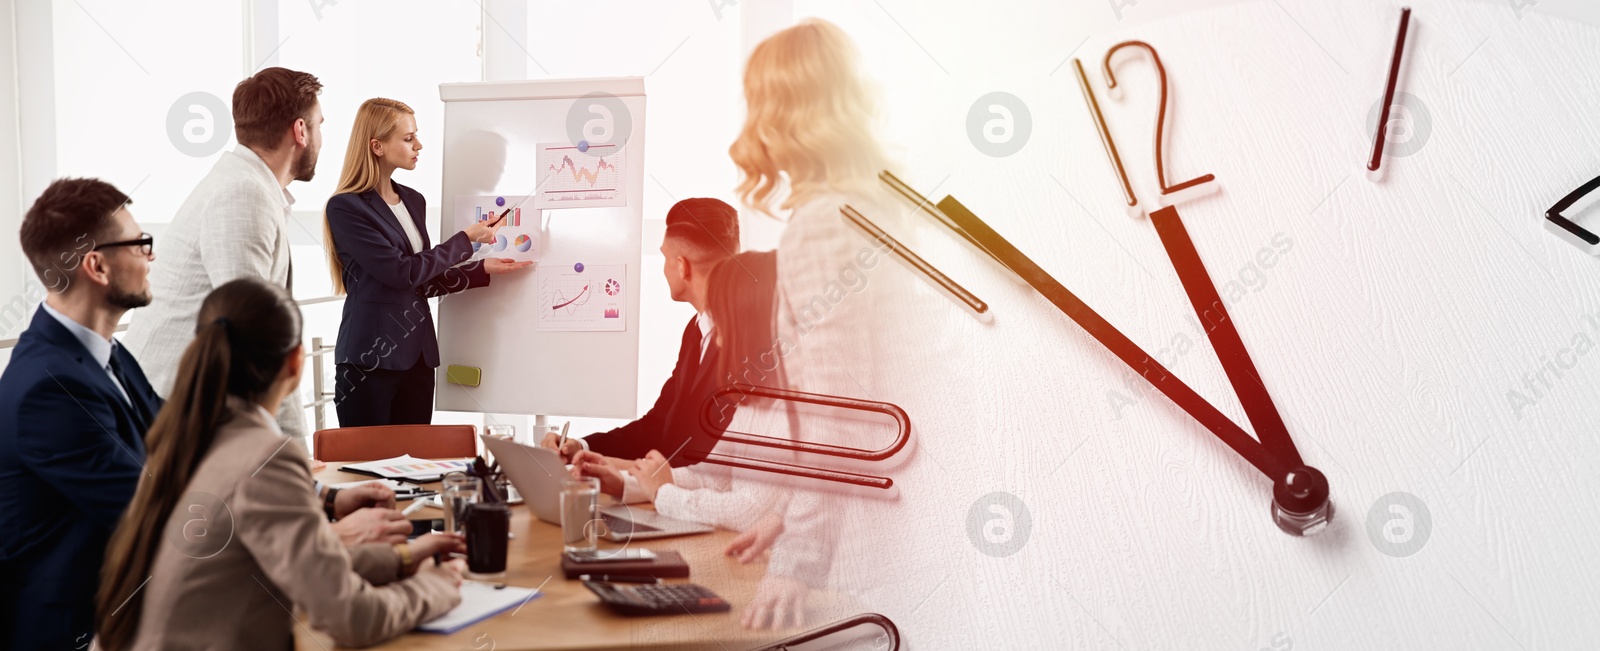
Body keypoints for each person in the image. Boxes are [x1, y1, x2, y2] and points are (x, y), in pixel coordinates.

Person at [95, 278, 466, 651]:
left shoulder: (185, 435)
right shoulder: (266, 456)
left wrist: (400, 558)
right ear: (295, 363)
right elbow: (352, 619)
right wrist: (435, 586)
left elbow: (290, 567)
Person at [0, 178, 162, 649]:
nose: (150, 257)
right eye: (139, 244)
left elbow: (183, 436)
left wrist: (315, 494)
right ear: (97, 266)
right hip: (78, 630)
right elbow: (156, 512)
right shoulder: (47, 390)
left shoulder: (104, 352)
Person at [124, 67, 325, 441]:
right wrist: (296, 455)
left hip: (176, 403)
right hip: (166, 409)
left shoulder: (246, 185)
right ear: (300, 131)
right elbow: (258, 338)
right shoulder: (243, 193)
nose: (321, 138)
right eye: (319, 125)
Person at [324, 98, 531, 427]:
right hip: (369, 363)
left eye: (416, 136)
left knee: (415, 468)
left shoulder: (413, 200)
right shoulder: (346, 208)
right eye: (408, 139)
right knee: (364, 469)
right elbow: (400, 272)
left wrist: (481, 269)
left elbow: (422, 278)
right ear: (377, 146)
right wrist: (465, 240)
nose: (419, 145)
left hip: (418, 360)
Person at [574, 251, 783, 529]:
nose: (717, 339)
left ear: (746, 325)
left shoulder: (790, 405)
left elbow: (747, 510)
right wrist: (623, 478)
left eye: (721, 321)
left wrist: (662, 494)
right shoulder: (755, 403)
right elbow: (713, 478)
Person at [542, 197, 741, 478]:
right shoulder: (696, 330)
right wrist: (581, 446)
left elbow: (715, 465)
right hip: (669, 499)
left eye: (665, 257)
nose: (664, 268)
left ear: (682, 266)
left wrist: (620, 472)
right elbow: (660, 425)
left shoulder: (748, 339)